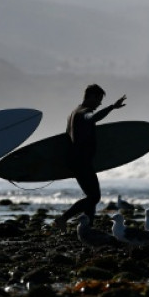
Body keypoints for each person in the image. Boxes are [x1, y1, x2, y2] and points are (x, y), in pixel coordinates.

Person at [53, 84, 126, 232]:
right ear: (91, 96)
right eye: (98, 99)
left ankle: (88, 227)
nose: (99, 104)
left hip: (77, 160)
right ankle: (63, 219)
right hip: (81, 161)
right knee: (94, 197)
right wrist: (112, 107)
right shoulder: (83, 113)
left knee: (91, 197)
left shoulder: (74, 112)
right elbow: (93, 118)